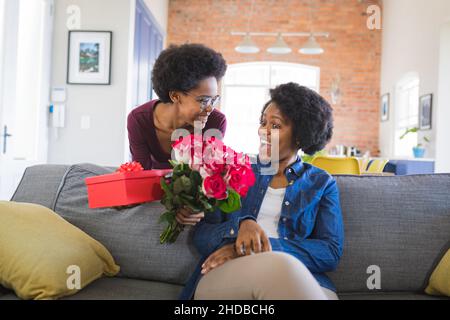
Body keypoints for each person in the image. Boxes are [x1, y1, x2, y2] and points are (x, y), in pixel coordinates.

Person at [180, 83, 344, 300]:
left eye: (275, 126)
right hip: (228, 274)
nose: (263, 131)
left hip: (306, 279)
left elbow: (330, 252)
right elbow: (202, 236)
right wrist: (240, 227)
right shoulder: (233, 171)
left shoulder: (322, 183)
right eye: (262, 122)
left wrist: (251, 247)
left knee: (286, 270)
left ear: (300, 136)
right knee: (281, 268)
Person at [127, 43, 227, 224]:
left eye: (214, 99)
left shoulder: (215, 122)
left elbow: (205, 177)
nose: (211, 108)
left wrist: (190, 206)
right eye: (204, 100)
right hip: (156, 195)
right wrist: (172, 204)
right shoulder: (139, 120)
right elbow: (141, 174)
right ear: (175, 96)